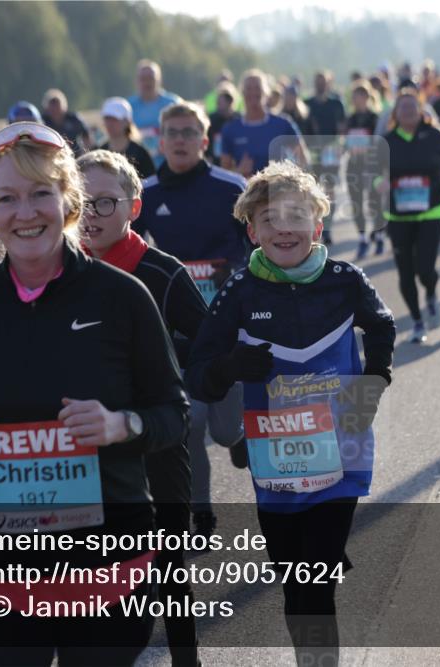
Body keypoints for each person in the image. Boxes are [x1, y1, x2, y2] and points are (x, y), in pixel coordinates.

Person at [0, 121, 189, 664]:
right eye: (7, 198)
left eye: (40, 194)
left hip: (104, 571)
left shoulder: (124, 297)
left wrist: (123, 426)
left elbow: (175, 413)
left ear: (69, 202)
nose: (25, 212)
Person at [185, 160, 395, 666]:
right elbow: (199, 373)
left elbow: (382, 327)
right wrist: (233, 364)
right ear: (252, 230)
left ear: (317, 226)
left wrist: (373, 382)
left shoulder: (345, 279)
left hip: (341, 458)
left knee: (315, 587)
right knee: (295, 587)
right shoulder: (239, 290)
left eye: (296, 216)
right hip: (276, 461)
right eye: (269, 219)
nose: (284, 228)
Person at [78, 149, 206, 667]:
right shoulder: (56, 271)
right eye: (81, 200)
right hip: (83, 445)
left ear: (133, 208)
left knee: (169, 560)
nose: (91, 213)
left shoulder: (163, 272)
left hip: (156, 437)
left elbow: (206, 345)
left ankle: (185, 658)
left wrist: (159, 370)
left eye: (104, 202)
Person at [134, 102, 250, 536]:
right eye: (172, 133)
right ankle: (201, 510)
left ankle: (238, 437)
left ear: (204, 141)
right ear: (160, 142)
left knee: (221, 431)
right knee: (192, 423)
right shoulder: (145, 194)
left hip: (225, 322)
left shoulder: (230, 186)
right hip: (174, 326)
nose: (180, 140)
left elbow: (255, 243)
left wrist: (234, 267)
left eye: (189, 133)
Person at [379, 90, 440, 343]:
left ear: (421, 110)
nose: (407, 111)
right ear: (395, 113)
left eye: (412, 107)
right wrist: (377, 183)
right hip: (399, 215)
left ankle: (432, 293)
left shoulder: (435, 135)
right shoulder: (387, 141)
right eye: (402, 107)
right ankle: (416, 320)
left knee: (425, 268)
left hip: (431, 211)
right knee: (405, 272)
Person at [220, 69, 306, 178]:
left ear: (266, 92)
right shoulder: (230, 129)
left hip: (277, 191)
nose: (253, 92)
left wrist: (290, 179)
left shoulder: (283, 124)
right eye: (249, 88)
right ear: (242, 92)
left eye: (257, 88)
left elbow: (302, 158)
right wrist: (239, 171)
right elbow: (224, 171)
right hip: (245, 192)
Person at [305, 71, 347, 245]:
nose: (321, 85)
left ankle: (328, 228)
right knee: (311, 190)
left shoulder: (336, 103)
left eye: (324, 82)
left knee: (329, 189)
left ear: (329, 84)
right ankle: (314, 226)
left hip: (330, 151)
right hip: (312, 151)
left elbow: (343, 127)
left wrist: (341, 146)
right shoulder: (307, 104)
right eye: (318, 82)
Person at [345, 81, 385, 259]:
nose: (356, 100)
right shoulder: (350, 119)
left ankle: (379, 235)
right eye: (354, 97)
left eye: (359, 97)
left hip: (371, 166)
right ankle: (362, 237)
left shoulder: (374, 118)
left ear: (367, 97)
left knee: (374, 202)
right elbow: (345, 142)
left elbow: (380, 144)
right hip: (354, 165)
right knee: (356, 202)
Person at [128, 59, 183, 166]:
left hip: (168, 166)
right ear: (137, 81)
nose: (147, 83)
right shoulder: (129, 106)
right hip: (137, 166)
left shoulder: (173, 103)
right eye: (143, 79)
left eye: (151, 78)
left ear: (159, 80)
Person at [98, 96, 156, 180]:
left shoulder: (140, 154)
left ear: (127, 121)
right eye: (107, 118)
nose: (109, 123)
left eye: (114, 119)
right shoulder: (99, 153)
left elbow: (150, 183)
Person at [42, 88, 92, 156]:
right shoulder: (43, 122)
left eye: (57, 106)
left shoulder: (73, 119)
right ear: (47, 108)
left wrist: (85, 153)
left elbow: (86, 134)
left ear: (63, 106)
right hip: (51, 156)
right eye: (52, 107)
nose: (55, 110)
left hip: (74, 156)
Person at [207, 84, 240, 166]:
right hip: (216, 163)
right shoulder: (211, 120)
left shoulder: (239, 120)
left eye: (220, 102)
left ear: (230, 102)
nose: (217, 105)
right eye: (217, 102)